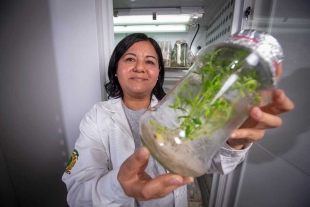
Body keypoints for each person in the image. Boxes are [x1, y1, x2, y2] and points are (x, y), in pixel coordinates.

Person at [62, 33, 294, 207]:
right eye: (130, 59)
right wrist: (118, 185)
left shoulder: (182, 108)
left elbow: (209, 162)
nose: (140, 67)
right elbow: (77, 194)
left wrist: (232, 141)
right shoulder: (97, 116)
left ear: (158, 73)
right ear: (116, 69)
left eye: (150, 62)